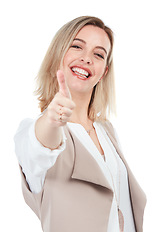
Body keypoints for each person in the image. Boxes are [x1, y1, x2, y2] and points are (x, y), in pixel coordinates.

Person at [14, 16, 146, 232]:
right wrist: (53, 120)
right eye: (77, 46)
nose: (87, 59)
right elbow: (42, 147)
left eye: (98, 54)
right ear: (58, 55)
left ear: (103, 71)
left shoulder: (107, 131)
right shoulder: (34, 131)